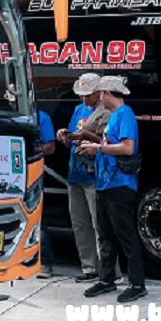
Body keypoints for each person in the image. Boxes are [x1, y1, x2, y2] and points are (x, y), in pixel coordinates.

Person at [77, 75, 146, 303]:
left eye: (100, 94)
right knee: (105, 233)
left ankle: (137, 284)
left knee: (125, 234)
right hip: (106, 182)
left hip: (120, 184)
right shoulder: (116, 115)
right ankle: (107, 279)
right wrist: (95, 147)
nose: (98, 98)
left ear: (107, 93)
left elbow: (127, 148)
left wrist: (98, 149)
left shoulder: (124, 114)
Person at [56, 73, 110, 283]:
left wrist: (86, 137)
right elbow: (73, 138)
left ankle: (108, 269)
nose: (84, 99)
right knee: (80, 223)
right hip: (75, 172)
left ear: (98, 93)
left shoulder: (105, 111)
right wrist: (65, 137)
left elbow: (107, 140)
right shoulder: (79, 110)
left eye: (88, 95)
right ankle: (89, 267)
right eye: (82, 95)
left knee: (100, 225)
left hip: (95, 174)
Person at [36, 109, 57, 279]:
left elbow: (50, 147)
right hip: (4, 173)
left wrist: (29, 151)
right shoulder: (2, 114)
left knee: (38, 218)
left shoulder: (41, 116)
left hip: (32, 172)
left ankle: (45, 261)